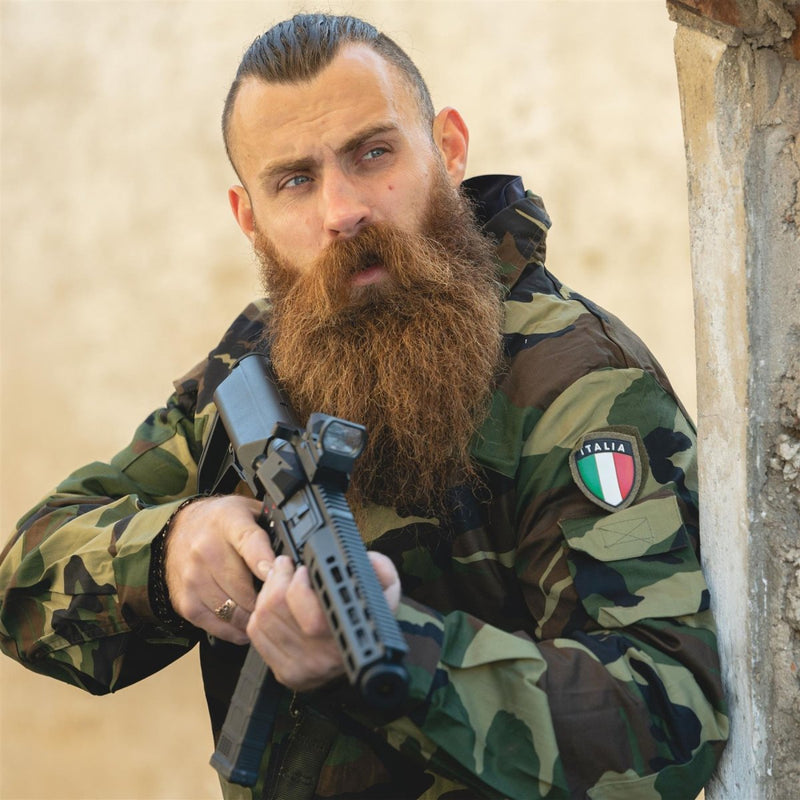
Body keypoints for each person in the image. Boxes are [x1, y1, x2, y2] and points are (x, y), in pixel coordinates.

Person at [0, 12, 728, 800]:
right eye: (295, 180)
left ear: (448, 150)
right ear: (251, 220)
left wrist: (402, 657)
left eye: (372, 153)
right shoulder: (261, 367)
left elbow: (667, 716)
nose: (342, 210)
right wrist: (171, 551)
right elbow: (22, 579)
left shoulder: (576, 383)